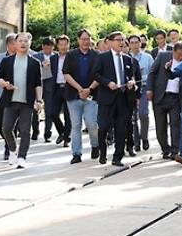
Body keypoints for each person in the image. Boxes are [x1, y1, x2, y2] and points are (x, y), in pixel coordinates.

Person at [0, 32, 43, 169]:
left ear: (30, 43)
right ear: (15, 44)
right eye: (20, 41)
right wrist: (5, 84)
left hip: (27, 102)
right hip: (10, 100)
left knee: (25, 131)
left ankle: (22, 157)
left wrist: (39, 100)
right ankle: (12, 150)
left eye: (26, 41)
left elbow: (38, 84)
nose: (23, 43)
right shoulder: (7, 61)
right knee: (6, 128)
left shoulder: (35, 63)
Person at [93, 31, 139, 166]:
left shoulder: (127, 59)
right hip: (107, 98)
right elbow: (95, 74)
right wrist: (108, 82)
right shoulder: (103, 58)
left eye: (123, 40)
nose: (121, 43)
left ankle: (117, 157)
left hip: (123, 98)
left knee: (121, 128)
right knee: (103, 128)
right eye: (118, 40)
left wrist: (131, 82)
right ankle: (102, 151)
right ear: (110, 42)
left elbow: (132, 76)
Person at [63, 28, 101, 164]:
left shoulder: (97, 55)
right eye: (83, 39)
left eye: (88, 38)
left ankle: (95, 145)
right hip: (74, 95)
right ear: (78, 40)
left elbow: (100, 75)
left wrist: (89, 89)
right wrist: (80, 89)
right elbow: (66, 74)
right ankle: (76, 153)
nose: (85, 41)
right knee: (76, 125)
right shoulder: (71, 55)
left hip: (92, 95)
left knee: (92, 124)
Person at [147, 42, 182, 159]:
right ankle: (165, 148)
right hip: (160, 95)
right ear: (173, 51)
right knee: (160, 125)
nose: (181, 57)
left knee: (175, 124)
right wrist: (149, 89)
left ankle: (175, 150)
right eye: (179, 54)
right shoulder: (163, 56)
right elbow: (152, 72)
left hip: (176, 98)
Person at [128, 34, 154, 152]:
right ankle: (136, 141)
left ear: (140, 43)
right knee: (133, 117)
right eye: (131, 42)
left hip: (144, 88)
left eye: (136, 42)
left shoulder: (148, 57)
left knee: (143, 114)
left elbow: (153, 73)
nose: (134, 45)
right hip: (130, 91)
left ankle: (144, 137)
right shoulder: (126, 57)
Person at [45, 35, 71, 145]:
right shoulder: (53, 58)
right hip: (57, 88)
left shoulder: (72, 56)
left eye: (65, 44)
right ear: (57, 45)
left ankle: (66, 138)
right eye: (61, 44)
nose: (63, 47)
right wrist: (45, 66)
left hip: (69, 88)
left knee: (67, 115)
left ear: (68, 45)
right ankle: (62, 132)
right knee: (52, 113)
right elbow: (47, 73)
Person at [32, 36, 55, 141]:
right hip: (38, 86)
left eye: (50, 47)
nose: (48, 50)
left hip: (50, 86)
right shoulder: (36, 57)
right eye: (46, 47)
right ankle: (35, 131)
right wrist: (41, 65)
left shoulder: (55, 57)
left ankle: (47, 133)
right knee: (35, 109)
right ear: (42, 46)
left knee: (49, 111)